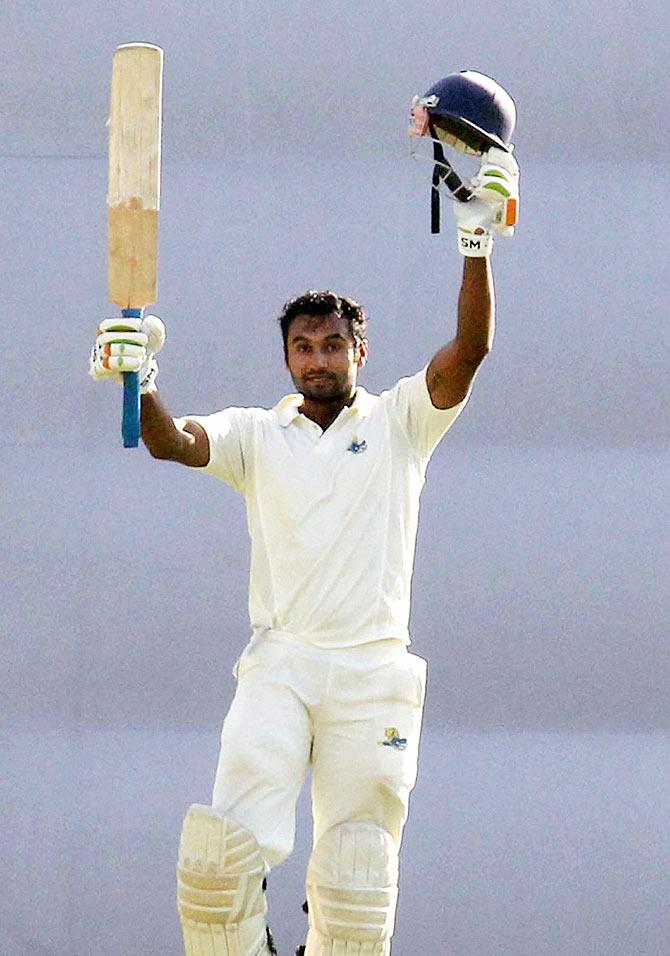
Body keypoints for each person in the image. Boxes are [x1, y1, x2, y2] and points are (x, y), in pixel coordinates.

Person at [90, 147, 519, 956]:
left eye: (333, 345)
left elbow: (470, 352)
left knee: (357, 890)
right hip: (280, 665)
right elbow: (173, 443)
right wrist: (140, 380)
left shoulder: (400, 422)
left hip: (373, 672)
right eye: (304, 346)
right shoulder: (258, 433)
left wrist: (477, 245)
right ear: (286, 355)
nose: (318, 359)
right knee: (219, 868)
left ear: (360, 349)